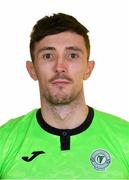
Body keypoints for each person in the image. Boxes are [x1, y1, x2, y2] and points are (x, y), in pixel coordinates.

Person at [0, 13, 129, 179]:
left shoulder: (125, 138)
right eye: (48, 56)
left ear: (88, 69)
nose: (60, 67)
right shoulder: (4, 141)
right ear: (32, 69)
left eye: (72, 55)